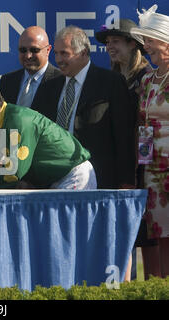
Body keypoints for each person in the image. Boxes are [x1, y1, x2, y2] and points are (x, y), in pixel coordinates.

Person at [33, 26, 137, 190]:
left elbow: (123, 135)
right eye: (56, 53)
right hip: (52, 179)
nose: (58, 59)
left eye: (64, 53)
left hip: (97, 179)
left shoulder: (110, 83)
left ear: (83, 53)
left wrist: (126, 180)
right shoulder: (48, 88)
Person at [96, 18, 153, 281]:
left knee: (150, 237)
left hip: (145, 166)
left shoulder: (145, 78)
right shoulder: (114, 79)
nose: (110, 47)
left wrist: (140, 167)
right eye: (108, 43)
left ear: (133, 44)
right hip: (124, 164)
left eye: (116, 41)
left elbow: (146, 125)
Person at [130, 4, 169, 279]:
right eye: (145, 43)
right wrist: (141, 165)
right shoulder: (147, 79)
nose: (147, 47)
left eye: (151, 41)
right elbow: (142, 125)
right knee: (161, 236)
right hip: (152, 172)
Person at [0, 26, 61, 108]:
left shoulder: (61, 81)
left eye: (34, 50)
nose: (28, 56)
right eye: (23, 50)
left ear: (48, 50)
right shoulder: (7, 81)